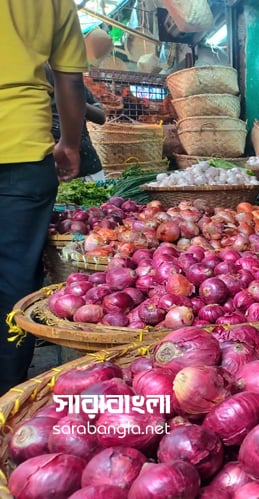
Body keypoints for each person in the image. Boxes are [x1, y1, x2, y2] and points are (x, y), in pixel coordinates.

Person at [0, 0, 88, 393]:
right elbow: (69, 80)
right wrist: (70, 144)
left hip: (24, 155)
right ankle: (7, 399)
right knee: (15, 281)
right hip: (24, 151)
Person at [46, 65, 108, 180]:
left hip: (89, 165)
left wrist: (73, 99)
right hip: (52, 170)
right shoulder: (30, 91)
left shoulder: (72, 85)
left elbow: (100, 116)